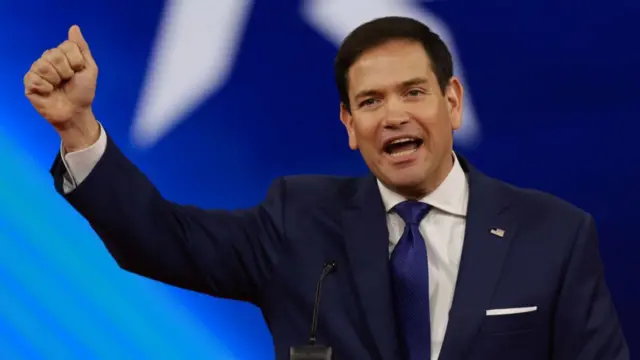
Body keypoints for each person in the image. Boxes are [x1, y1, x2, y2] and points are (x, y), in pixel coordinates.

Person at [23, 16, 628, 360]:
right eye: (370, 101)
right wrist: (78, 127)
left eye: (413, 92)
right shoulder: (298, 219)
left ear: (452, 101)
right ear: (349, 126)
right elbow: (157, 238)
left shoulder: (553, 232)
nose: (393, 116)